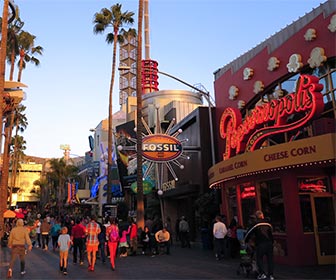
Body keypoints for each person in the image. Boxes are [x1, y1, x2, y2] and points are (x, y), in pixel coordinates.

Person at [246, 210, 274, 280]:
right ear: (262, 216)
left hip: (260, 243)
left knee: (259, 259)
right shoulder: (268, 224)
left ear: (256, 216)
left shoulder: (255, 224)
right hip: (269, 243)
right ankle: (271, 275)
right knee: (270, 260)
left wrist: (245, 240)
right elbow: (271, 233)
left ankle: (262, 274)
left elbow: (248, 233)